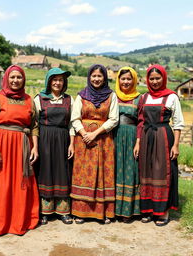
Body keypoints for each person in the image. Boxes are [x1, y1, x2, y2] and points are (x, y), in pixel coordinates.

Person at [0, 65, 39, 236]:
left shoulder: (29, 100)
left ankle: (19, 220)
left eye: (19, 77)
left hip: (22, 145)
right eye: (12, 77)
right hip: (2, 144)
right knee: (2, 183)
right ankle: (0, 222)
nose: (15, 81)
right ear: (6, 78)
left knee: (20, 184)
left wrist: (35, 147)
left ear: (23, 80)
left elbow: (34, 125)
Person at [133, 64, 184, 226]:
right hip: (147, 137)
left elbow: (178, 123)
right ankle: (148, 210)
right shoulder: (144, 97)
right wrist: (138, 142)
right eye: (152, 78)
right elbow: (141, 122)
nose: (154, 81)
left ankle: (163, 212)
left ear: (163, 78)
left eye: (157, 78)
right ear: (148, 80)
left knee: (163, 172)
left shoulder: (172, 97)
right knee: (146, 172)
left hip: (163, 137)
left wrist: (175, 145)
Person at [70, 64, 119, 224]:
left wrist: (95, 134)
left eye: (99, 76)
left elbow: (114, 119)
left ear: (104, 77)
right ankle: (81, 212)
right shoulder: (81, 96)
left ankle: (102, 212)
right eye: (93, 76)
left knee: (102, 175)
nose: (96, 79)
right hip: (83, 141)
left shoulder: (111, 96)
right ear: (89, 77)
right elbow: (75, 117)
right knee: (83, 175)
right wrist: (84, 134)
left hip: (103, 140)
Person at [34, 67, 75, 225]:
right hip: (45, 139)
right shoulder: (39, 99)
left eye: (61, 80)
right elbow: (34, 125)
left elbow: (72, 124)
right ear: (49, 81)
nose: (58, 83)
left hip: (63, 139)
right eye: (55, 80)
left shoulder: (69, 100)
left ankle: (63, 211)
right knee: (45, 172)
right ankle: (45, 211)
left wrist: (71, 143)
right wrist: (36, 145)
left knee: (62, 172)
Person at [113, 67, 141, 223]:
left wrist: (138, 141)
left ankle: (129, 211)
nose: (125, 82)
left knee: (131, 169)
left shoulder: (139, 98)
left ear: (134, 80)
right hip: (115, 135)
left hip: (131, 136)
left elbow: (142, 121)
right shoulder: (112, 96)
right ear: (118, 80)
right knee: (115, 169)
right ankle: (115, 210)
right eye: (122, 79)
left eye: (129, 79)